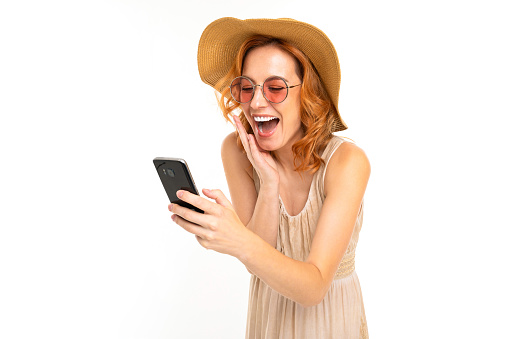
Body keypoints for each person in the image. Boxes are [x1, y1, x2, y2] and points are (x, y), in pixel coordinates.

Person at [169, 17, 371, 338]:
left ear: (307, 93)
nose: (257, 102)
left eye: (275, 88)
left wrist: (238, 238)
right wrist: (269, 182)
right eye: (246, 87)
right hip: (269, 319)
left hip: (329, 322)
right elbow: (258, 264)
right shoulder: (238, 152)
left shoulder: (347, 162)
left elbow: (314, 288)